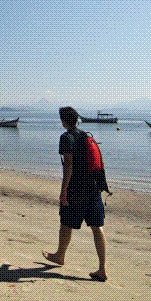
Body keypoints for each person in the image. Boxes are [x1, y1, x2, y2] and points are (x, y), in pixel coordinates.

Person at [43, 106, 107, 282]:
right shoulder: (87, 136)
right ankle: (102, 269)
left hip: (76, 189)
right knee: (97, 227)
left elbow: (68, 165)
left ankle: (59, 256)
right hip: (94, 189)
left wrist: (63, 190)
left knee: (66, 223)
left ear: (63, 121)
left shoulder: (66, 137)